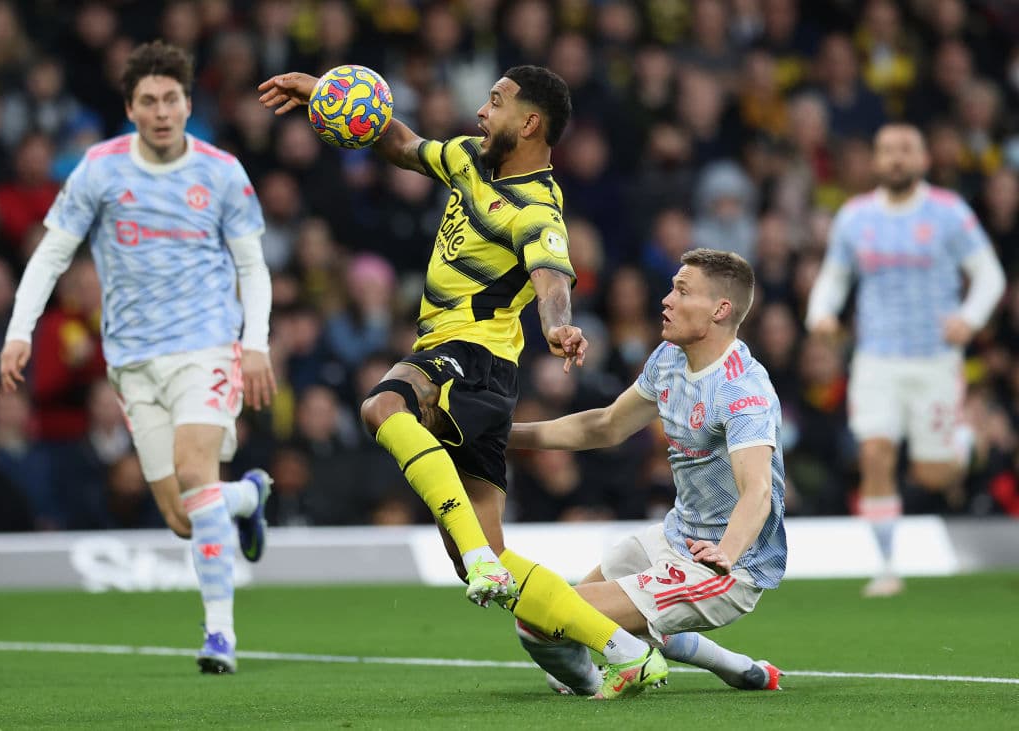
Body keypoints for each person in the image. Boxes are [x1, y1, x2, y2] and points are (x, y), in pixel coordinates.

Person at [259, 65, 668, 699]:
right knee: (485, 551)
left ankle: (482, 564)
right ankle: (622, 650)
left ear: (529, 123)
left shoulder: (537, 207)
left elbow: (552, 278)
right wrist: (329, 94)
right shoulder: (468, 159)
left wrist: (560, 326)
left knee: (381, 404)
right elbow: (399, 144)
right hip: (474, 371)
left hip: (473, 355)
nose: (482, 111)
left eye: (496, 102)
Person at [0, 41, 277, 673]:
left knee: (193, 471)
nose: (160, 111)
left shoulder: (222, 171)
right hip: (131, 360)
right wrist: (20, 331)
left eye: (171, 99)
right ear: (130, 108)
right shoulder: (99, 170)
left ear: (186, 103)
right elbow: (50, 255)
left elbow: (253, 266)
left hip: (207, 344)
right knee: (186, 516)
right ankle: (247, 499)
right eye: (147, 101)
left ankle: (220, 636)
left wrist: (254, 345)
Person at [509, 249, 785, 695]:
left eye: (682, 290)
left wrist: (726, 553)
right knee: (559, 618)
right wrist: (505, 436)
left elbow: (757, 491)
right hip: (675, 538)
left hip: (727, 566)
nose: (666, 300)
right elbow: (605, 425)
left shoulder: (742, 389)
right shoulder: (670, 358)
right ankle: (738, 668)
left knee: (545, 616)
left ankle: (605, 678)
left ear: (720, 310)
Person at [806, 123, 1006, 597]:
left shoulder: (948, 212)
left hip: (935, 360)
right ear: (876, 161)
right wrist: (821, 312)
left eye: (906, 150)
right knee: (875, 452)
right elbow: (834, 275)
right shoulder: (855, 217)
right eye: (888, 150)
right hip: (876, 359)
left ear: (923, 159)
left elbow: (990, 275)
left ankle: (965, 440)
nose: (897, 158)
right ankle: (887, 565)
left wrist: (970, 319)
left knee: (932, 473)